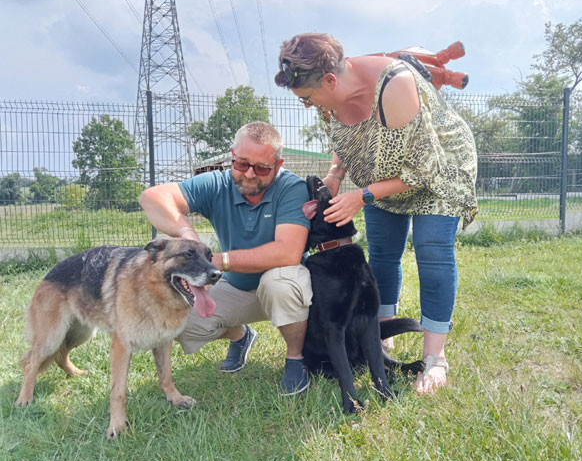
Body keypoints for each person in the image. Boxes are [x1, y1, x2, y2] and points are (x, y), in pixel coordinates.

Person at [275, 33, 478, 395]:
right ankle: (380, 340)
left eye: (307, 99)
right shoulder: (328, 97)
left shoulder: (394, 86)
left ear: (330, 80)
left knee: (432, 251)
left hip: (438, 168)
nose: (308, 106)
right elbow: (343, 137)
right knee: (382, 255)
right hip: (383, 176)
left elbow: (422, 170)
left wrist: (363, 196)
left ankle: (435, 358)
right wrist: (337, 174)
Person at [138, 121, 312, 395]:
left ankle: (295, 359)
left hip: (283, 283)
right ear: (232, 155)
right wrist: (187, 234)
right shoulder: (218, 184)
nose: (250, 174)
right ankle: (240, 336)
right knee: (180, 323)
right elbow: (152, 198)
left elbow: (287, 252)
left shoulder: (292, 188)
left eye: (262, 168)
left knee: (277, 284)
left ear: (278, 166)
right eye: (241, 164)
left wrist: (221, 261)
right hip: (237, 286)